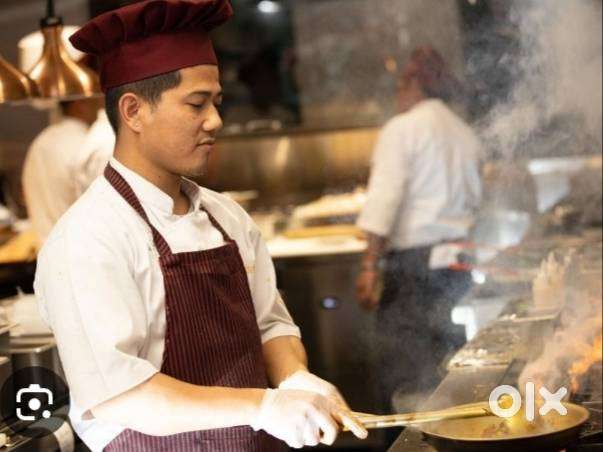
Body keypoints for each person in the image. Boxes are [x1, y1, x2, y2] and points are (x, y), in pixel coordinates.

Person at [34, 1, 367, 451]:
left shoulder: (227, 217)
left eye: (217, 102)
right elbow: (121, 394)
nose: (216, 120)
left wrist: (294, 379)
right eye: (197, 104)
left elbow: (271, 325)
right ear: (133, 111)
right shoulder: (88, 238)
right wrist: (263, 407)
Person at [355, 47, 482, 414]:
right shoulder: (465, 132)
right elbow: (476, 200)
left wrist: (369, 266)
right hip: (458, 264)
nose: (397, 96)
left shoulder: (402, 129)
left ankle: (409, 438)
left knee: (407, 372)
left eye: (400, 86)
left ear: (414, 84)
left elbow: (384, 200)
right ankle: (456, 432)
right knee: (451, 365)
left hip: (414, 268)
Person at [20, 28, 109, 243]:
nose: (100, 97)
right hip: (79, 253)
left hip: (45, 254)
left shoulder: (40, 141)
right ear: (79, 99)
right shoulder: (89, 146)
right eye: (94, 91)